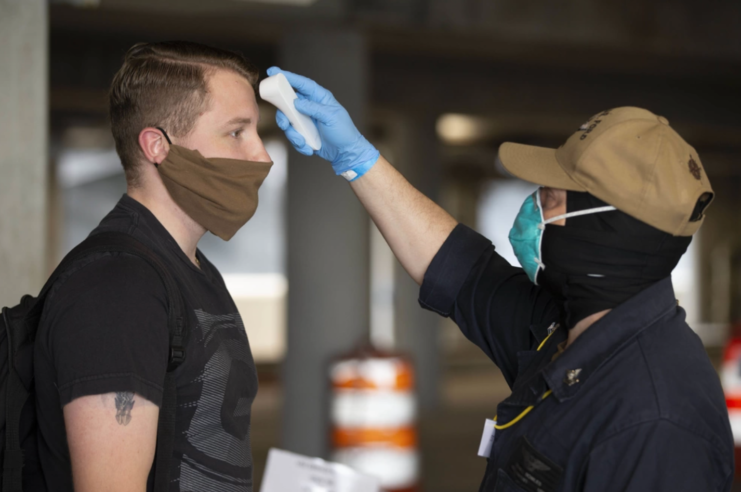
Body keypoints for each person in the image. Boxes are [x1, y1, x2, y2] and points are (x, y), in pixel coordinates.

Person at [269, 67, 735, 491]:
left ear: (604, 228)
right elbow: (461, 272)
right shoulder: (571, 331)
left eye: (549, 198)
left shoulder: (656, 423)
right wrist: (358, 159)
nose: (532, 208)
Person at [35, 41, 273, 492]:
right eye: (237, 132)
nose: (262, 156)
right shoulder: (116, 287)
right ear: (156, 145)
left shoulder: (189, 267)